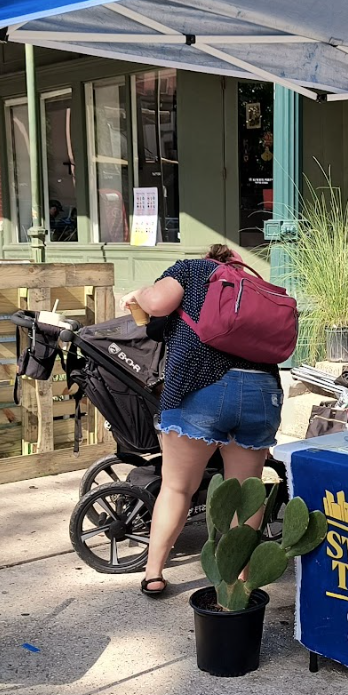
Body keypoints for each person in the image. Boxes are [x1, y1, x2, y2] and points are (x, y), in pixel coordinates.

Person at [118, 245, 284, 598]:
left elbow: (159, 304)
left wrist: (139, 295)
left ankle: (154, 573)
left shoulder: (192, 269)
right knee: (245, 493)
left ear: (210, 258)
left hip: (201, 387)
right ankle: (241, 578)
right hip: (261, 391)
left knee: (177, 487)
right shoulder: (252, 284)